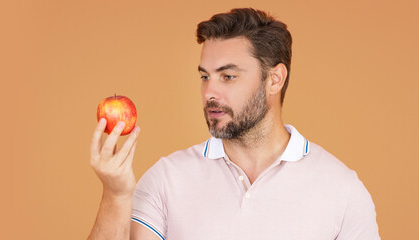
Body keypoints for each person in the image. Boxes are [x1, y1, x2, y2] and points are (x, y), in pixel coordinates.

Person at [87, 7, 380, 240]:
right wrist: (116, 194)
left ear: (274, 79)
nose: (209, 92)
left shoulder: (342, 189)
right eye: (205, 76)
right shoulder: (166, 180)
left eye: (227, 76)